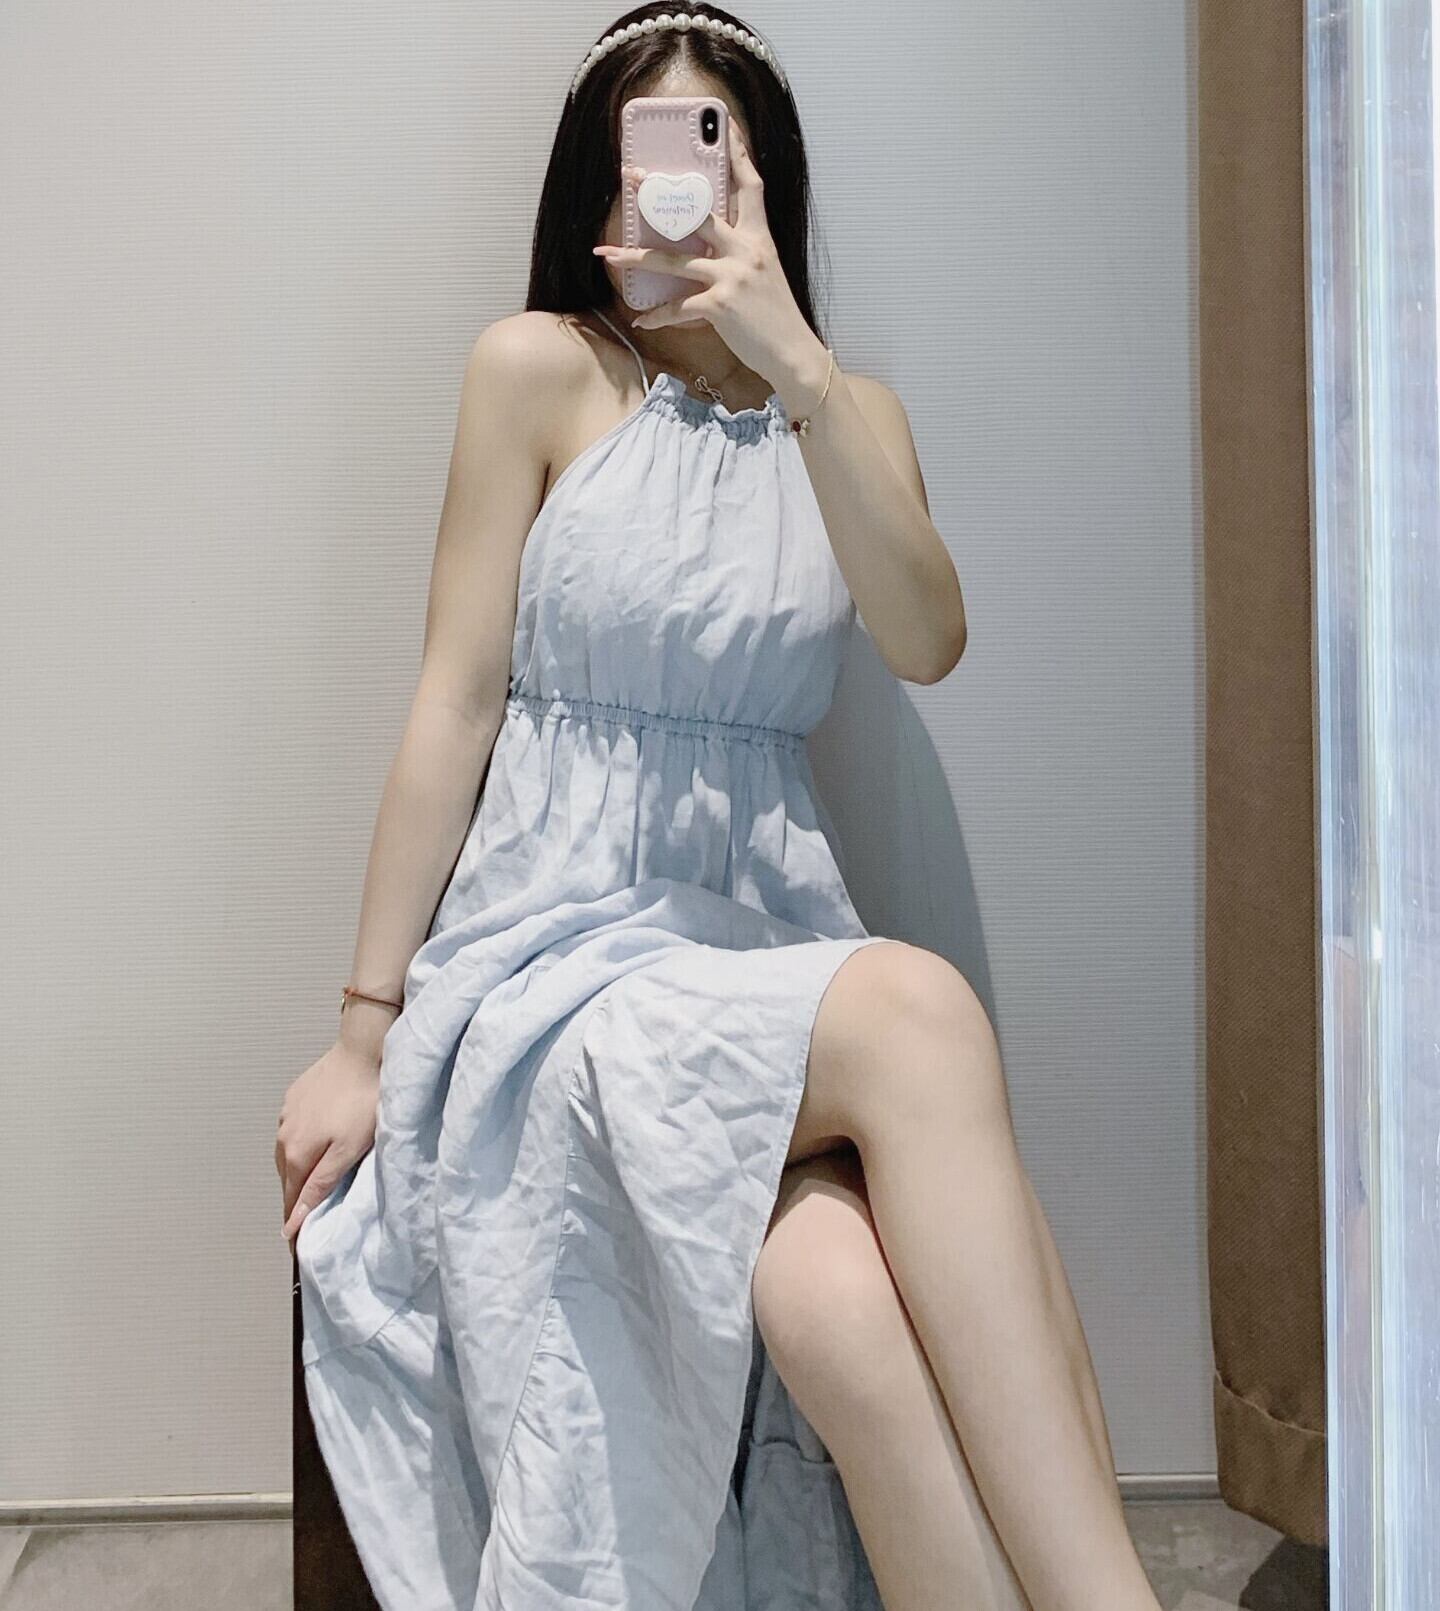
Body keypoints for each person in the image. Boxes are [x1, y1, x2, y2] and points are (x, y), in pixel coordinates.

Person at [278, 7, 1164, 1609]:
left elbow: (928, 640)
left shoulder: (849, 415)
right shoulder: (538, 370)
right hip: (555, 961)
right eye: (651, 158)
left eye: (717, 157)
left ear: (764, 187)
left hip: (755, 951)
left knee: (831, 1298)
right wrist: (362, 1032)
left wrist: (797, 364)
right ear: (599, 184)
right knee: (920, 1006)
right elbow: (455, 703)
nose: (681, 195)